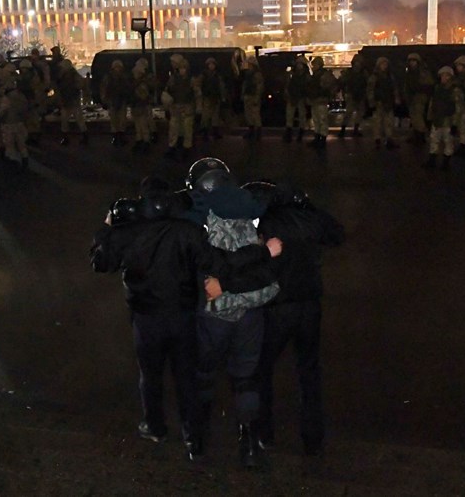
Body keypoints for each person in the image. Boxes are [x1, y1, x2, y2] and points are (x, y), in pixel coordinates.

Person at [90, 178, 282, 455]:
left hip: (146, 319)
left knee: (150, 374)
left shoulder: (127, 232)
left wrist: (105, 228)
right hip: (181, 317)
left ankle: (155, 427)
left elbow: (100, 262)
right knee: (186, 376)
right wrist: (262, 252)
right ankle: (194, 438)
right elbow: (221, 262)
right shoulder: (187, 232)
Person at [180, 158, 281, 468]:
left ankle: (198, 441)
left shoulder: (198, 219)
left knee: (204, 376)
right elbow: (266, 268)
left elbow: (199, 264)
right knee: (246, 379)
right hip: (251, 313)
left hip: (212, 315)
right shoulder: (253, 215)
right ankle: (249, 444)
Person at [246, 181, 344, 457]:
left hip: (277, 306)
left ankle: (264, 432)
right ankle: (313, 438)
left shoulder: (266, 221)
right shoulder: (309, 218)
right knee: (309, 371)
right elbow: (337, 233)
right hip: (309, 305)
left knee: (261, 370)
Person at [423, 66, 462, 170]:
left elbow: (458, 108)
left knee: (448, 141)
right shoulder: (437, 88)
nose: (444, 77)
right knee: (434, 139)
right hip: (437, 119)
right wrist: (429, 118)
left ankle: (446, 162)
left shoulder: (455, 90)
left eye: (446, 75)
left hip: (448, 120)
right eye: (442, 75)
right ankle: (432, 160)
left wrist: (455, 123)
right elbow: (432, 104)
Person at [165, 57, 197, 160]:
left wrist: (198, 107)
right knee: (174, 128)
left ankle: (186, 148)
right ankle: (172, 147)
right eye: (181, 68)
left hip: (187, 106)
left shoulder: (191, 80)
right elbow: (168, 91)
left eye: (184, 68)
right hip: (176, 106)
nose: (182, 70)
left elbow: (197, 93)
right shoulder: (173, 79)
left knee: (187, 129)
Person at [367, 56, 400, 149]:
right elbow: (370, 90)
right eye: (382, 64)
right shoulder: (374, 77)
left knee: (389, 121)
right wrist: (371, 101)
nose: (384, 66)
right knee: (378, 122)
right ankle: (377, 139)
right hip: (379, 102)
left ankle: (389, 139)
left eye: (385, 64)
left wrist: (396, 98)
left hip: (388, 101)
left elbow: (394, 89)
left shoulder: (390, 76)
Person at [402, 53, 433, 144]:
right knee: (413, 116)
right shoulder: (409, 73)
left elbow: (429, 84)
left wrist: (419, 89)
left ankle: (421, 135)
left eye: (414, 61)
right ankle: (417, 135)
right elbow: (406, 85)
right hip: (411, 96)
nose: (412, 63)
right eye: (411, 61)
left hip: (420, 96)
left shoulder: (423, 72)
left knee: (418, 116)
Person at [56, 58, 88, 146]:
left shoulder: (72, 75)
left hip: (72, 100)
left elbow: (80, 84)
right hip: (68, 100)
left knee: (77, 119)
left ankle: (81, 137)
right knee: (66, 121)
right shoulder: (64, 76)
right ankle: (68, 137)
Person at [306, 56, 336, 149]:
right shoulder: (317, 75)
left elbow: (330, 87)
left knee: (322, 120)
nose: (313, 66)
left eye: (315, 64)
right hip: (316, 100)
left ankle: (322, 139)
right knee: (317, 120)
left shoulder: (324, 75)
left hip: (321, 99)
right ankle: (318, 138)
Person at [101, 60, 132, 146]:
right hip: (115, 100)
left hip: (119, 100)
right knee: (116, 120)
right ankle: (117, 136)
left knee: (120, 120)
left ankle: (118, 136)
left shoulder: (113, 77)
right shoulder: (118, 77)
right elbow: (104, 89)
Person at [196, 57, 227, 141]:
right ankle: (205, 133)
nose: (211, 66)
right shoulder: (204, 75)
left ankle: (214, 132)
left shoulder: (217, 75)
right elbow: (198, 84)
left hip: (215, 97)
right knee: (206, 116)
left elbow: (221, 86)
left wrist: (223, 97)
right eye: (210, 64)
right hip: (206, 97)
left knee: (215, 116)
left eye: (212, 64)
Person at [338, 56, 368, 138]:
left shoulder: (361, 73)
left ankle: (353, 130)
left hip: (359, 94)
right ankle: (344, 130)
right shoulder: (350, 72)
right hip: (351, 94)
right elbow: (342, 82)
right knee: (349, 113)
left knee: (358, 113)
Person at [284, 55, 311, 142]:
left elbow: (308, 87)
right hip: (293, 97)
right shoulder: (292, 74)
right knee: (289, 116)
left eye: (300, 64)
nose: (298, 66)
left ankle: (300, 134)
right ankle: (289, 133)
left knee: (301, 116)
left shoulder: (306, 76)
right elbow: (287, 84)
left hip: (301, 98)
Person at [240, 57, 264, 140]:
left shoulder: (256, 74)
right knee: (249, 115)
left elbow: (259, 86)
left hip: (253, 96)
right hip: (248, 95)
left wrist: (257, 97)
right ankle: (252, 131)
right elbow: (245, 85)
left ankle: (257, 132)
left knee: (255, 115)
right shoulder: (248, 74)